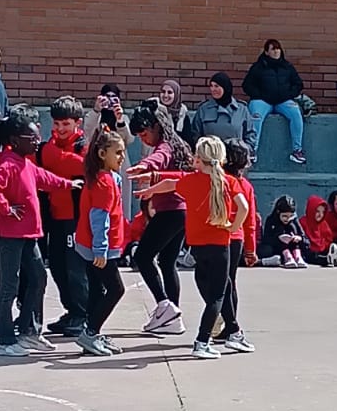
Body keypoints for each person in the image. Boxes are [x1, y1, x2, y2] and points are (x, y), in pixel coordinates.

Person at [139, 136, 250, 361]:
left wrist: (150, 191)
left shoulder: (191, 180)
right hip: (219, 245)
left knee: (223, 286)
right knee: (217, 296)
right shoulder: (229, 181)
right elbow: (244, 207)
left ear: (200, 158)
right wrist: (233, 226)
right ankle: (202, 341)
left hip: (197, 246)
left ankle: (234, 332)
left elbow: (170, 183)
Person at [0, 107, 79, 357]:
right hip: (9, 236)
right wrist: (6, 208)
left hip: (27, 234)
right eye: (32, 138)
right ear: (15, 141)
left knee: (38, 277)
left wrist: (70, 184)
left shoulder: (25, 163)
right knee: (9, 286)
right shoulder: (7, 163)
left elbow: (46, 178)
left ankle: (29, 332)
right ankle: (1, 339)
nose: (37, 142)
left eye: (38, 137)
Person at [128, 100, 194, 335]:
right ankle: (172, 315)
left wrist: (143, 167)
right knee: (167, 261)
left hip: (171, 212)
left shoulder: (165, 147)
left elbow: (158, 160)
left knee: (142, 256)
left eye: (144, 134)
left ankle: (165, 305)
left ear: (156, 126)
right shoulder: (178, 144)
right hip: (181, 211)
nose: (143, 140)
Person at [37, 96, 89, 339]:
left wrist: (48, 153)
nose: (60, 129)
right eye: (56, 123)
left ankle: (82, 314)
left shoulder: (83, 146)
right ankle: (72, 311)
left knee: (75, 269)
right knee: (57, 268)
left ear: (78, 123)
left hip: (76, 218)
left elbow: (77, 166)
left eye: (66, 124)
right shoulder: (49, 146)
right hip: (54, 216)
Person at [72, 130, 127, 356]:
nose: (122, 157)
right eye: (118, 153)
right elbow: (99, 218)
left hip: (91, 245)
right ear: (103, 154)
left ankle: (92, 332)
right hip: (99, 248)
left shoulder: (103, 177)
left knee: (97, 288)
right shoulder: (104, 183)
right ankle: (90, 332)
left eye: (123, 152)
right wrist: (100, 249)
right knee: (116, 289)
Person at [215, 139, 258, 352]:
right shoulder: (246, 186)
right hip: (237, 238)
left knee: (221, 283)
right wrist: (251, 250)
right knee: (230, 282)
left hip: (221, 235)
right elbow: (250, 222)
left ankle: (231, 325)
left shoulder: (220, 181)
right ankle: (229, 323)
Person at [243, 39, 306, 165]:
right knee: (255, 115)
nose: (276, 51)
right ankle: (251, 150)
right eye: (273, 49)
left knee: (296, 113)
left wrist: (288, 95)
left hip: (283, 101)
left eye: (278, 49)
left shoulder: (287, 67)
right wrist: (259, 95)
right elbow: (247, 85)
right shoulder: (258, 67)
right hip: (263, 101)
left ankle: (297, 151)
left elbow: (298, 84)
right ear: (266, 52)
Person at [188, 73, 256, 155]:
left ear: (225, 87)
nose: (213, 89)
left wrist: (244, 151)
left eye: (216, 86)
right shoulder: (204, 109)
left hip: (236, 157)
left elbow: (250, 135)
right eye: (211, 86)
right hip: (211, 157)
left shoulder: (241, 109)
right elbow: (195, 134)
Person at [258, 196, 308, 267]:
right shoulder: (271, 220)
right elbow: (266, 239)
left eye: (290, 216)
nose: (287, 219)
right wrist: (278, 238)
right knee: (266, 250)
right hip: (277, 248)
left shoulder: (294, 221)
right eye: (284, 216)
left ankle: (297, 257)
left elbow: (303, 237)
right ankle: (287, 257)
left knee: (293, 229)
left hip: (293, 247)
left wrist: (298, 238)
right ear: (278, 213)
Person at [303, 196, 337, 265]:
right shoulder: (303, 223)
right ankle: (328, 260)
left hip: (322, 250)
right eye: (317, 211)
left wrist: (325, 245)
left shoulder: (323, 224)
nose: (320, 215)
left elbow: (328, 239)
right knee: (308, 254)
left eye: (323, 212)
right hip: (309, 252)